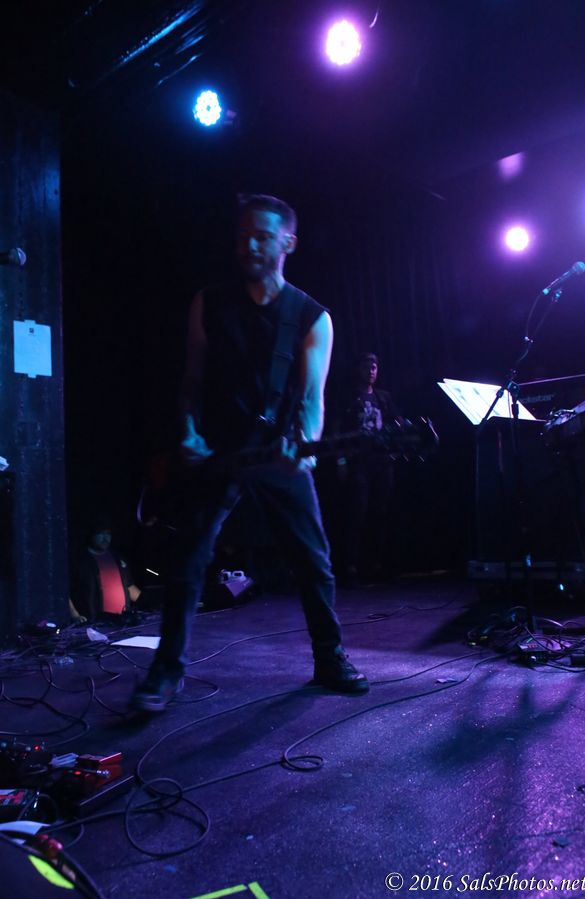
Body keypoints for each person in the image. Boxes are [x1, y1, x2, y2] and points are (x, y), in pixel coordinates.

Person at [131, 194, 369, 712]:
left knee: (313, 561)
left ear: (289, 242)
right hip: (218, 450)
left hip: (276, 450)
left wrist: (304, 446)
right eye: (243, 236)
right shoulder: (209, 303)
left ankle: (329, 658)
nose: (250, 246)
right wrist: (189, 432)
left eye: (262, 236)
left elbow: (312, 399)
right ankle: (166, 672)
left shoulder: (311, 317)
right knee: (187, 559)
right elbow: (191, 382)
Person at [334, 352, 401, 585]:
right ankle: (351, 566)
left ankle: (376, 564)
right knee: (356, 514)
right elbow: (336, 431)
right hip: (358, 463)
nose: (371, 371)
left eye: (374, 367)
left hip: (382, 463)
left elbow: (397, 423)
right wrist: (341, 461)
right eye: (366, 366)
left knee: (380, 513)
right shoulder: (348, 397)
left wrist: (395, 448)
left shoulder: (384, 397)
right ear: (357, 369)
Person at [70, 519, 141, 622]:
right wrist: (75, 615)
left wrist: (146, 602)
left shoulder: (117, 558)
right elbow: (65, 592)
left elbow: (129, 586)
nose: (105, 538)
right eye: (100, 534)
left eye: (108, 534)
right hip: (96, 623)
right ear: (91, 535)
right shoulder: (79, 560)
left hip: (123, 621)